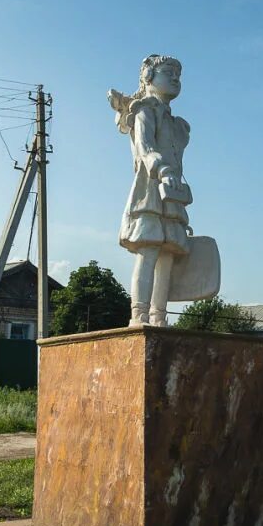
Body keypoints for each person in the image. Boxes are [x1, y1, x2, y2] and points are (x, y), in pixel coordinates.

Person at [108, 55, 192, 326]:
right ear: (148, 77)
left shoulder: (175, 122)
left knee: (167, 256)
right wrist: (164, 171)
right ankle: (139, 315)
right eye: (168, 72)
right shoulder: (144, 110)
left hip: (171, 193)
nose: (175, 78)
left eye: (178, 73)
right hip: (150, 189)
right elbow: (145, 149)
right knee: (148, 253)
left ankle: (159, 317)